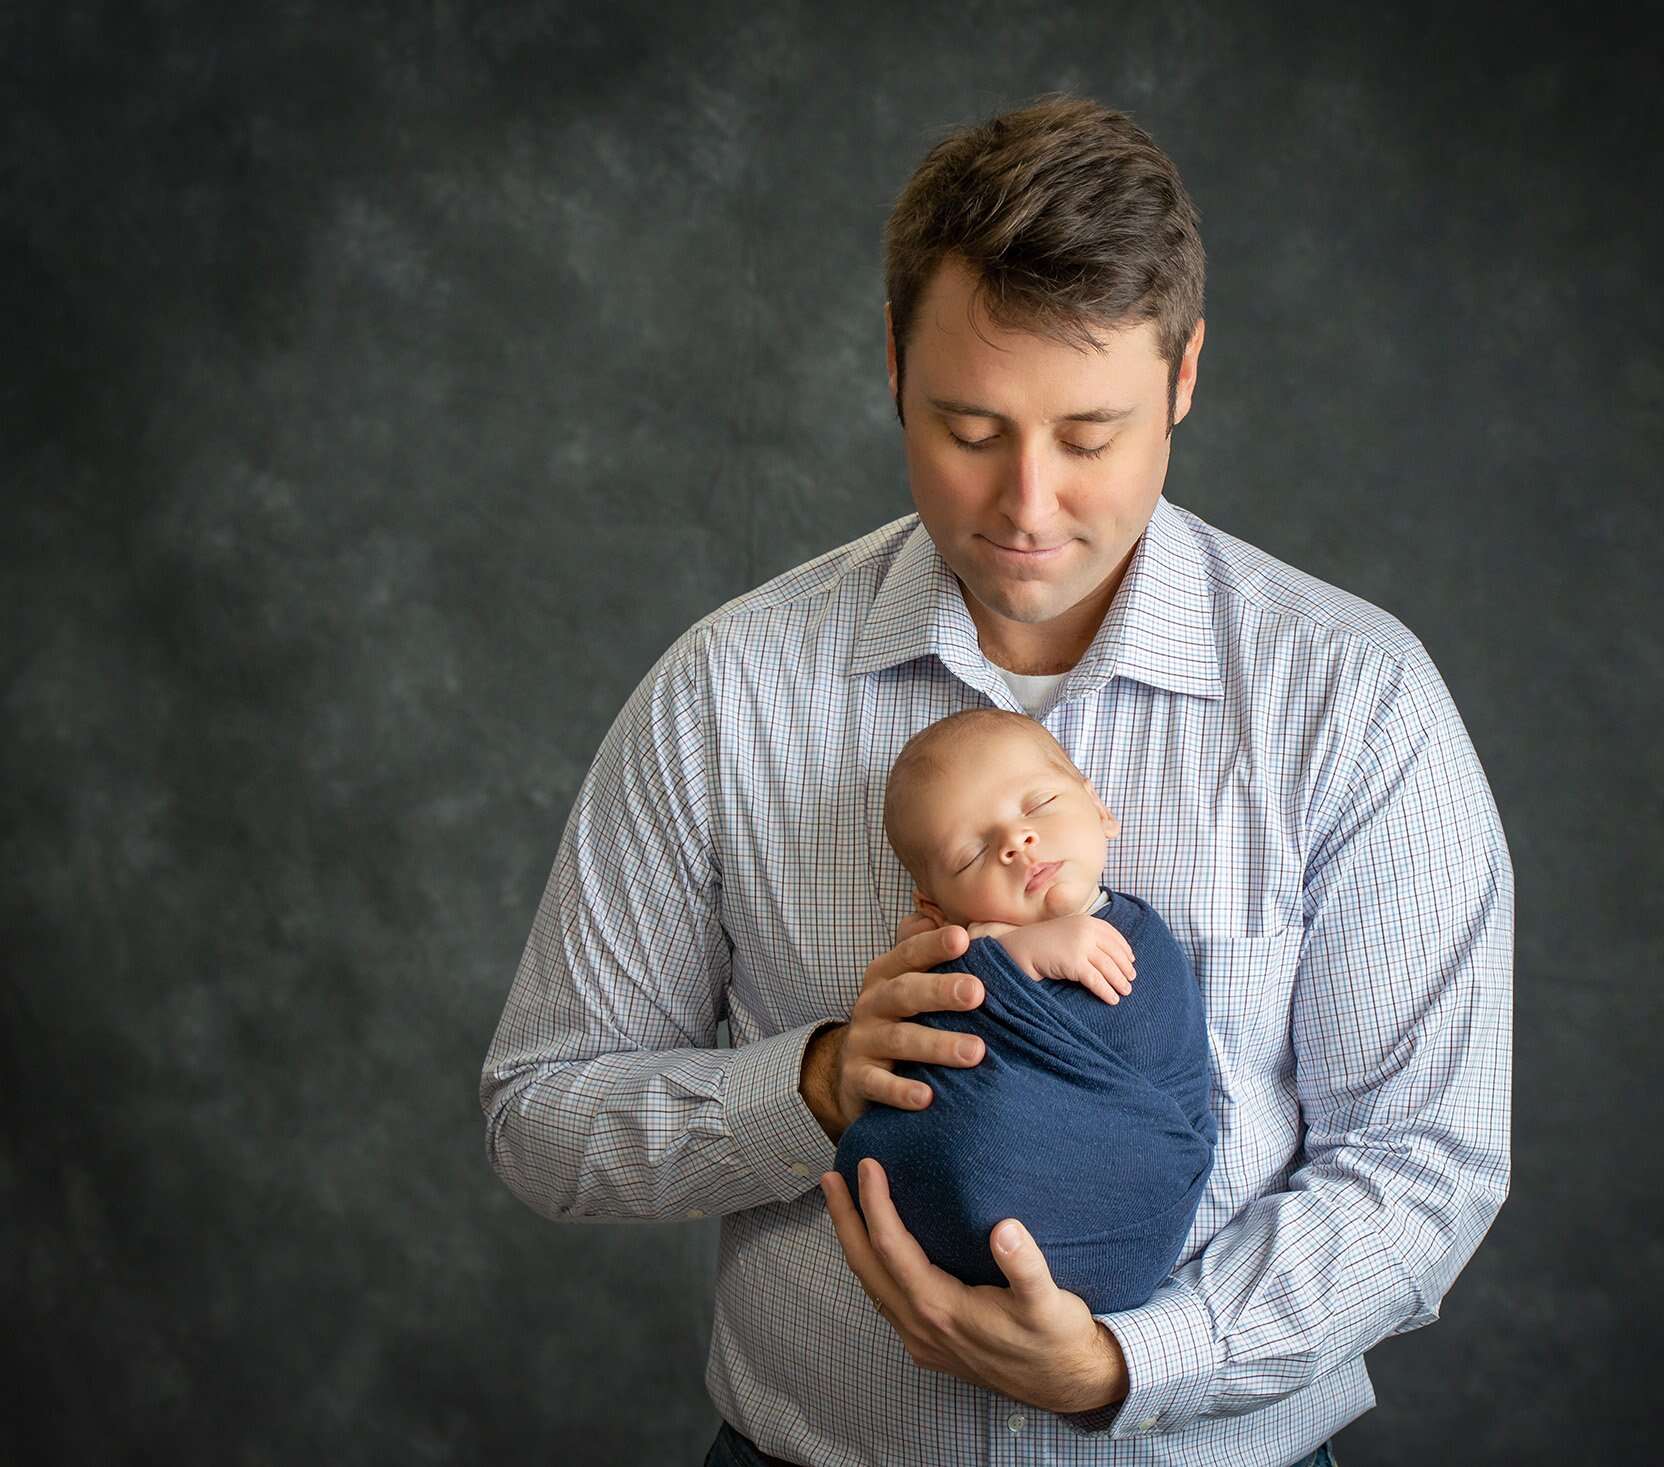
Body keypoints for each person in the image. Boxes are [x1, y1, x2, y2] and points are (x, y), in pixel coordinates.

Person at [478, 92, 1513, 1467]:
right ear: (896, 361)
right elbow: (542, 1114)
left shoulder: (1354, 701)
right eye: (970, 427)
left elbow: (1424, 1162)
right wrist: (816, 1086)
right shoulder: (728, 692)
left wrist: (1134, 1362)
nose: (1027, 503)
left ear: (1185, 374)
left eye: (1089, 435)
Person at [834, 707, 1216, 1314]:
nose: (1016, 842)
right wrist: (981, 959)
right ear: (937, 908)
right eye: (969, 857)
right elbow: (936, 1044)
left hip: (1126, 1206)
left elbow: (1145, 1044)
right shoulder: (960, 951)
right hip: (940, 1229)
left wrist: (1002, 961)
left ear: (1100, 809)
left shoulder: (1140, 935)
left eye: (1038, 805)